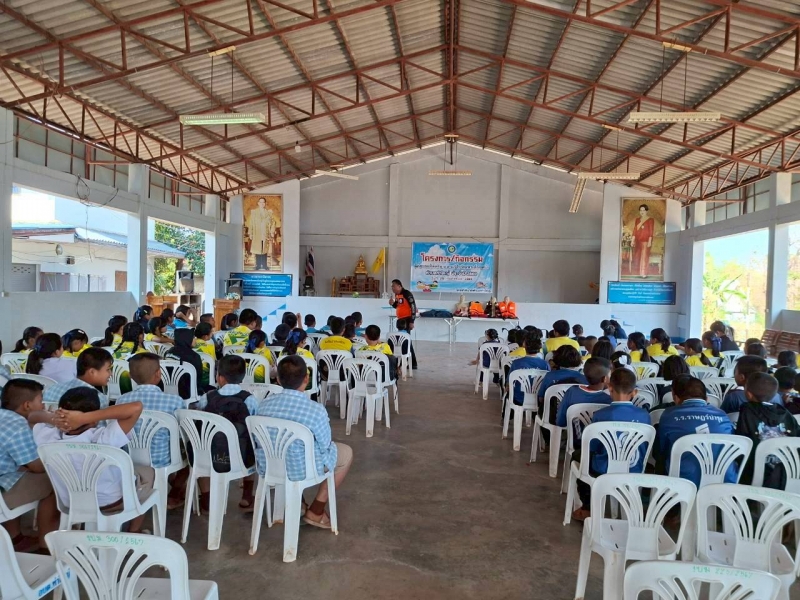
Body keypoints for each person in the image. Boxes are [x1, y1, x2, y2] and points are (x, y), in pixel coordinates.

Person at [34, 387, 151, 533]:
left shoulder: (46, 437)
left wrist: (56, 418)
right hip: (111, 502)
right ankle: (134, 530)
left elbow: (33, 416)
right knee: (148, 473)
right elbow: (136, 407)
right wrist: (85, 418)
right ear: (94, 420)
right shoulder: (103, 437)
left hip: (70, 501)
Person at [256, 355, 353, 528]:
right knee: (345, 453)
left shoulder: (263, 405)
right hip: (302, 471)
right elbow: (325, 445)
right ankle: (316, 510)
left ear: (278, 379)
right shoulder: (315, 410)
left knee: (290, 452)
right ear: (306, 379)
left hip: (269, 466)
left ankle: (299, 503)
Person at [571, 368, 649, 521]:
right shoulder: (645, 416)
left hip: (604, 468)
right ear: (635, 392)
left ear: (610, 388)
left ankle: (587, 507)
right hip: (634, 468)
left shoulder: (601, 415)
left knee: (578, 455)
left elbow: (593, 447)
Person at [117, 353, 187, 509]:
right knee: (190, 455)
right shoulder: (175, 401)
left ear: (131, 376)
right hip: (163, 460)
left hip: (130, 458)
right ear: (158, 374)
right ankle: (174, 492)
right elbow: (183, 434)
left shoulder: (121, 401)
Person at [0, 379, 60, 552]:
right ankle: (45, 545)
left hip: (4, 477)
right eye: (40, 400)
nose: (43, 405)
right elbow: (37, 466)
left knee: (17, 474)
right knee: (56, 482)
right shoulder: (17, 425)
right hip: (2, 490)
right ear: (27, 405)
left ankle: (15, 537)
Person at [197, 355, 258, 511]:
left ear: (219, 377)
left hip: (210, 456)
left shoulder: (207, 398)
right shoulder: (249, 399)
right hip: (241, 457)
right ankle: (246, 496)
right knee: (251, 444)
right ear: (242, 377)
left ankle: (206, 498)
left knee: (201, 447)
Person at [656, 375, 734, 486]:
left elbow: (661, 449)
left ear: (676, 398)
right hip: (724, 480)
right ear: (706, 399)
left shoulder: (669, 415)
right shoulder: (723, 415)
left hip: (683, 481)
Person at [736, 372, 799, 486]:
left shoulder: (747, 410)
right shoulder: (786, 413)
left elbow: (741, 439)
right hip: (787, 475)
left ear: (748, 394)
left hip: (753, 475)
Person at [43, 347, 113, 409]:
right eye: (108, 369)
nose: (111, 374)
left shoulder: (51, 389)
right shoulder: (99, 399)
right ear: (92, 372)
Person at [555, 358, 611, 428]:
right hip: (600, 435)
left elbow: (560, 421)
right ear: (604, 379)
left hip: (575, 435)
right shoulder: (609, 399)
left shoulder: (572, 392)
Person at [166, 328, 208, 398]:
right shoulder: (194, 356)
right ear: (187, 339)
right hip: (188, 392)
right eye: (193, 337)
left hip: (168, 390)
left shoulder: (168, 352)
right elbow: (198, 377)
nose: (195, 340)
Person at [509, 336, 550, 405]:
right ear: (540, 347)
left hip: (518, 398)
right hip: (538, 400)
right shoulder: (545, 364)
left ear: (524, 345)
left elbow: (508, 383)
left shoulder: (516, 363)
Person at [247, 196, 274, 271]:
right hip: (257, 233)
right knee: (258, 249)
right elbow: (251, 223)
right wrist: (250, 233)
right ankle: (258, 265)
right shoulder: (254, 212)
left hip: (265, 234)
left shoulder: (269, 213)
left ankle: (264, 265)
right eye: (260, 202)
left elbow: (273, 223)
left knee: (264, 249)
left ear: (265, 203)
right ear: (258, 203)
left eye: (263, 202)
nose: (262, 203)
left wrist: (272, 232)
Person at [630, 203, 654, 278]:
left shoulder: (650, 220)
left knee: (644, 258)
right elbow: (635, 231)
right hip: (638, 241)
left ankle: (643, 273)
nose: (642, 212)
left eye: (643, 210)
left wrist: (650, 241)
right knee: (637, 257)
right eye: (640, 210)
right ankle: (638, 272)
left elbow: (651, 231)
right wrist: (632, 240)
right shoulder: (637, 220)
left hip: (646, 241)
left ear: (646, 211)